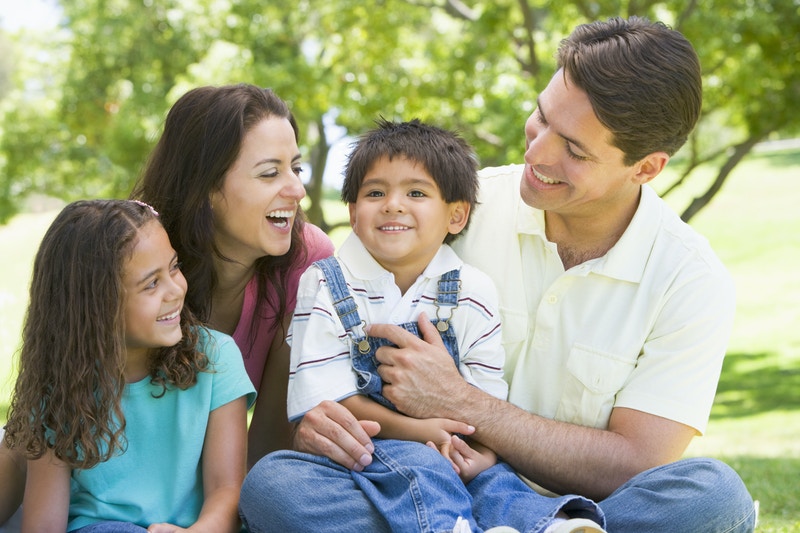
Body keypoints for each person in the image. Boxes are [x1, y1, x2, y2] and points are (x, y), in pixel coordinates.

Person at [241, 16, 757, 533]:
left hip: (583, 507)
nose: (537, 152)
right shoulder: (456, 208)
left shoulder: (689, 280)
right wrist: (327, 424)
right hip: (417, 484)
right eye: (542, 116)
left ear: (645, 168)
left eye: (574, 150)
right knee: (277, 488)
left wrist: (463, 403)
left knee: (714, 497)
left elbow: (635, 462)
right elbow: (339, 308)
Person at [241, 118, 607, 533]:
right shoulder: (324, 283)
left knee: (494, 480)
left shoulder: (472, 288)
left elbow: (485, 394)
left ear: (456, 215)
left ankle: (554, 525)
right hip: (363, 455)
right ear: (354, 212)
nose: (393, 204)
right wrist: (421, 433)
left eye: (416, 192)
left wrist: (483, 453)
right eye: (375, 192)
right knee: (273, 483)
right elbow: (327, 403)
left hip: (456, 448)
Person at [0, 84, 335, 527]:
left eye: (295, 167)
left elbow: (264, 450)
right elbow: (43, 419)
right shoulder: (139, 247)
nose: (298, 190)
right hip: (92, 488)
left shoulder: (305, 262)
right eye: (269, 173)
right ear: (207, 187)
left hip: (202, 495)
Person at [2, 199, 256, 532]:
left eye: (174, 267)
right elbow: (44, 525)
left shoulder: (216, 358)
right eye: (151, 283)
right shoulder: (61, 387)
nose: (176, 289)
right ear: (96, 308)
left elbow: (227, 490)